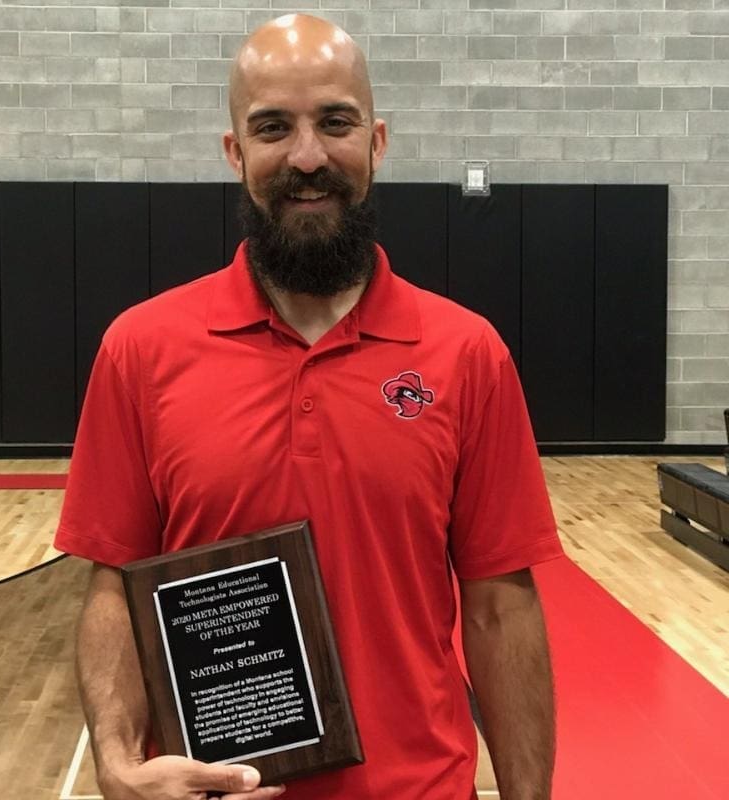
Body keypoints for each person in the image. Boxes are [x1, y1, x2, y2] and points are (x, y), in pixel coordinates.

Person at [56, 13, 563, 800]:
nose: (307, 157)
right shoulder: (141, 349)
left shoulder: (468, 355)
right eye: (272, 127)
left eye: (335, 122)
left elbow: (501, 605)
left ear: (377, 141)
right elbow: (111, 586)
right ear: (235, 152)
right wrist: (118, 765)